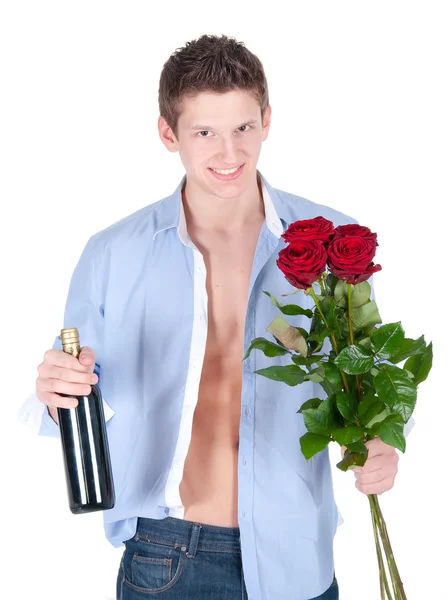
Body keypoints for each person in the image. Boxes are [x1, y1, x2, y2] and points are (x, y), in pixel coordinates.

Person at [20, 34, 405, 600]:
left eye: (243, 128)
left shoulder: (331, 242)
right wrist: (52, 395)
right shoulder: (112, 253)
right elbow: (69, 399)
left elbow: (372, 376)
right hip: (167, 556)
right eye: (205, 133)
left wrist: (383, 445)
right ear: (167, 133)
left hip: (298, 554)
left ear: (267, 119)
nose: (229, 154)